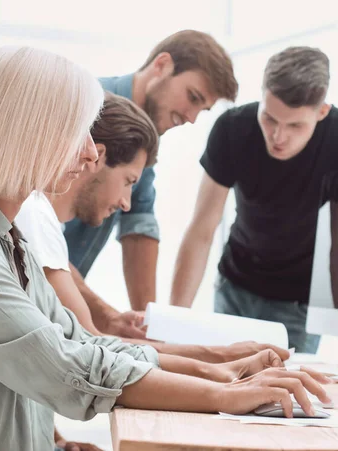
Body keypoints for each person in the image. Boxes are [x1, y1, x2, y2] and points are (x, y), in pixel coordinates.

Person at [0, 47, 330, 451]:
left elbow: (85, 342)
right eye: (80, 133)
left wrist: (220, 370)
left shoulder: (3, 237)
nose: (91, 154)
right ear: (30, 133)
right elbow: (68, 367)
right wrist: (225, 393)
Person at [16, 92, 289, 364]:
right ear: (96, 157)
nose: (126, 203)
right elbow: (90, 345)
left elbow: (91, 339)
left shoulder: (39, 217)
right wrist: (222, 357)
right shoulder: (35, 214)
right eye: (128, 181)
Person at [170, 46, 338, 357]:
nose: (278, 136)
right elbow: (202, 228)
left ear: (321, 112)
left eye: (295, 126)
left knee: (285, 399)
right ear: (263, 96)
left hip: (299, 303)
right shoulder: (232, 128)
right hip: (234, 288)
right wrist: (174, 325)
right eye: (269, 118)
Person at [62, 30, 238, 339]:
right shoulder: (84, 110)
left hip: (62, 304)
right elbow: (36, 242)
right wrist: (109, 319)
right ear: (162, 65)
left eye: (203, 110)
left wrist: (153, 330)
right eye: (193, 98)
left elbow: (139, 228)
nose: (192, 118)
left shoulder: (145, 140)